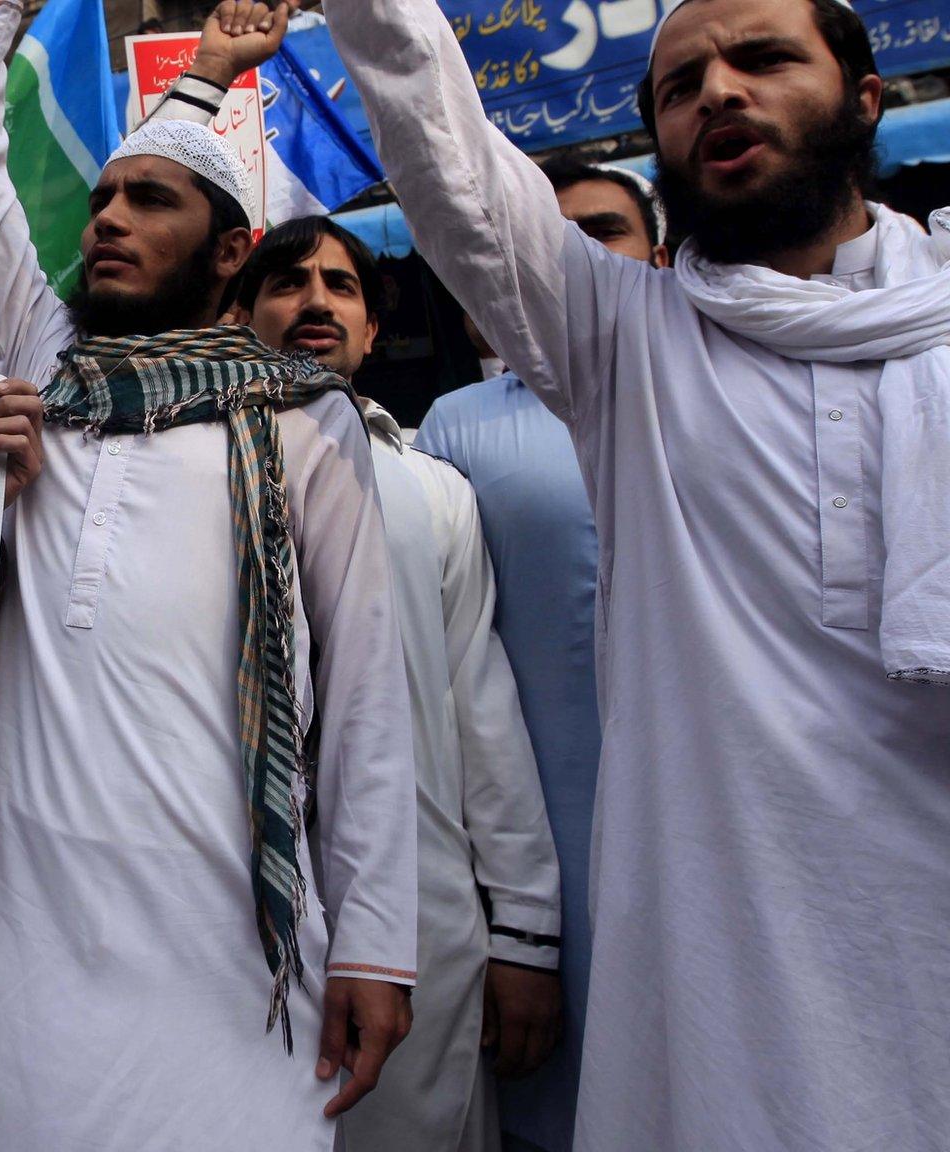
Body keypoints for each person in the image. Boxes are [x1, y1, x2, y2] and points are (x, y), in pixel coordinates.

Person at [328, 0, 950, 1146]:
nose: (716, 90)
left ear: (864, 100)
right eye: (677, 85)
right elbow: (442, 144)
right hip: (734, 980)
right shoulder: (623, 339)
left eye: (760, 57)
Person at [0, 2, 420, 1147]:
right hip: (20, 928)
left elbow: (364, 698)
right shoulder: (47, 378)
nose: (106, 219)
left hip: (226, 939)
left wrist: (375, 939)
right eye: (103, 198)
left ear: (229, 249)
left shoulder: (305, 420)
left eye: (148, 203)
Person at [233, 214, 563, 1152]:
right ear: (238, 310)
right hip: (226, 926)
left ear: (374, 330)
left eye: (342, 286)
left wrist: (525, 935)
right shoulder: (175, 472)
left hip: (424, 934)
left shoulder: (433, 488)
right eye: (288, 282)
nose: (316, 301)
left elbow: (481, 715)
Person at [413, 157, 670, 1152]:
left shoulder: (722, 385)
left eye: (599, 230)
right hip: (554, 883)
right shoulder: (457, 426)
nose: (570, 256)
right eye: (546, 236)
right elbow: (452, 674)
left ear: (659, 253)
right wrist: (515, 928)